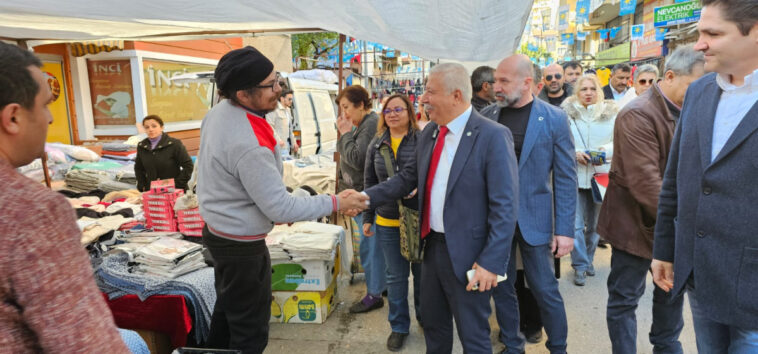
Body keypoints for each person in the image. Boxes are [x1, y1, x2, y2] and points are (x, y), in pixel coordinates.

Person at [196, 46, 367, 353]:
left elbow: (252, 186)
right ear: (243, 94)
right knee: (249, 332)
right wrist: (336, 202)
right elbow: (278, 208)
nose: (279, 90)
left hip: (221, 233)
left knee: (227, 316)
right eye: (270, 85)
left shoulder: (220, 113)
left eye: (277, 79)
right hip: (241, 247)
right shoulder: (247, 142)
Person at [359, 62, 519, 353]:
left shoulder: (492, 136)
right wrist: (366, 197)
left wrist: (490, 263)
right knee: (433, 324)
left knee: (473, 335)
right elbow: (407, 177)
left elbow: (505, 207)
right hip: (431, 248)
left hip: (471, 257)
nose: (423, 99)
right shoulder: (431, 131)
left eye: (431, 92)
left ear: (456, 95)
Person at [0, 41, 130, 352]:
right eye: (45, 105)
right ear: (13, 117)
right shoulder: (30, 210)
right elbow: (86, 344)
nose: (50, 119)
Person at [652, 1, 758, 351]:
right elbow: (676, 180)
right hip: (702, 276)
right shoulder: (698, 92)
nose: (699, 44)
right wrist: (665, 250)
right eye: (700, 33)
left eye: (713, 33)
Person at [597, 45, 705, 354]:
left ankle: (667, 348)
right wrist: (687, 224)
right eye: (695, 85)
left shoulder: (692, 110)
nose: (702, 92)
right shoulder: (637, 114)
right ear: (670, 76)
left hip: (672, 223)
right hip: (633, 225)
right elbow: (646, 184)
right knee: (624, 299)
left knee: (670, 296)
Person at [482, 54, 577, 354]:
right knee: (501, 287)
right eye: (495, 80)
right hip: (496, 222)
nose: (495, 86)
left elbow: (565, 178)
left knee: (545, 289)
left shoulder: (554, 118)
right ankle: (513, 345)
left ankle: (558, 347)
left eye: (503, 81)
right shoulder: (487, 116)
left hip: (535, 219)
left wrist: (565, 230)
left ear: (527, 83)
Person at [363, 94, 422, 351]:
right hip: (387, 221)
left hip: (418, 220)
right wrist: (367, 218)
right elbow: (369, 184)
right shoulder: (377, 144)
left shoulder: (422, 140)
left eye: (399, 109)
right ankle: (399, 326)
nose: (393, 114)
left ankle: (426, 318)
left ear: (410, 112)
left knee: (422, 275)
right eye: (388, 110)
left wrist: (419, 188)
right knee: (395, 277)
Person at [561, 74, 619, 286]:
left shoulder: (612, 114)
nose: (588, 93)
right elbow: (560, 141)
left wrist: (605, 150)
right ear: (577, 92)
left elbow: (619, 140)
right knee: (575, 226)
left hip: (601, 175)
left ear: (599, 91)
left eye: (592, 89)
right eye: (584, 89)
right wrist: (575, 153)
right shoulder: (567, 115)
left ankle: (589, 259)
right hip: (574, 176)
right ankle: (580, 265)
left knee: (596, 226)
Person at [336, 85, 387, 314]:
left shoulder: (369, 126)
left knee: (371, 247)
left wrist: (345, 133)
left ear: (360, 105)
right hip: (359, 196)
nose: (344, 113)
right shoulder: (362, 126)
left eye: (346, 107)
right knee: (372, 246)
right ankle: (380, 286)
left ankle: (375, 293)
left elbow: (357, 160)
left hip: (366, 199)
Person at [134, 114, 194, 191]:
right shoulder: (142, 146)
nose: (150, 129)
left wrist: (177, 184)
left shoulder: (174, 144)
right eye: (147, 127)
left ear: (162, 127)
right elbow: (138, 168)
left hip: (174, 191)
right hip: (152, 192)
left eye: (154, 126)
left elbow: (188, 166)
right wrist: (142, 185)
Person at [265, 89, 298, 156]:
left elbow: (290, 129)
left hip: (287, 146)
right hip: (278, 147)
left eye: (292, 99)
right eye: (289, 99)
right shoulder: (273, 109)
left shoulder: (288, 110)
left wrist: (294, 142)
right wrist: (278, 140)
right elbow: (269, 126)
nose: (291, 101)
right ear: (282, 99)